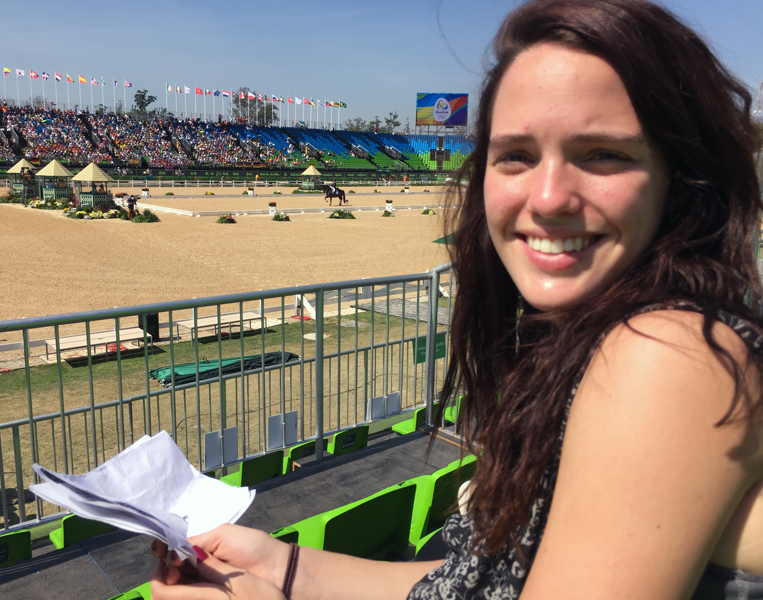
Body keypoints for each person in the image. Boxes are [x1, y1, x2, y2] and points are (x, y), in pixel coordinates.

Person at [150, 1, 763, 598]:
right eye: (516, 155)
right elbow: (471, 583)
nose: (548, 197)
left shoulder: (669, 354)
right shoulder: (593, 337)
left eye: (603, 153)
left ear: (682, 177)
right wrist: (287, 571)